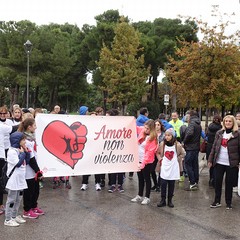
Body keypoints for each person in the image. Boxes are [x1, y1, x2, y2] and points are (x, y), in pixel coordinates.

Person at [208, 115, 240, 210]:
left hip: (231, 163)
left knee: (229, 184)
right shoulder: (219, 133)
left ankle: (228, 202)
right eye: (226, 121)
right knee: (217, 182)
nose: (228, 123)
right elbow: (214, 147)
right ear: (223, 123)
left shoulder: (237, 135)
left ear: (233, 123)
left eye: (230, 121)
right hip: (219, 162)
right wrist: (210, 159)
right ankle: (217, 201)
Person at [18, 118, 44, 218]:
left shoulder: (32, 137)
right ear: (29, 127)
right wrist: (38, 171)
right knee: (29, 190)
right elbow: (31, 157)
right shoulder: (26, 140)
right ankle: (27, 210)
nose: (36, 127)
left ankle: (34, 206)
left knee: (36, 189)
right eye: (34, 125)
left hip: (34, 167)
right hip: (29, 169)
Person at [4, 132, 29, 227]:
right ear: (17, 141)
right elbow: (18, 163)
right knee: (11, 200)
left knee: (18, 199)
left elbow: (27, 162)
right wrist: (22, 154)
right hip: (13, 181)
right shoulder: (11, 152)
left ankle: (14, 216)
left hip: (21, 180)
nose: (25, 141)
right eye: (23, 140)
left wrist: (26, 152)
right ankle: (8, 219)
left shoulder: (20, 150)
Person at [131, 119, 158, 205]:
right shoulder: (143, 132)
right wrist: (131, 120)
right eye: (145, 127)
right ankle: (139, 195)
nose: (145, 129)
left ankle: (147, 197)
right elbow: (136, 128)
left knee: (147, 178)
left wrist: (143, 163)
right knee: (140, 178)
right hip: (139, 159)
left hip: (147, 162)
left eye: (147, 128)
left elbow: (150, 152)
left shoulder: (153, 138)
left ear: (152, 129)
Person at [156, 128, 185, 208]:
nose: (167, 137)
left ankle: (170, 200)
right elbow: (158, 153)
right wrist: (160, 159)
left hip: (173, 167)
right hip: (165, 166)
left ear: (173, 136)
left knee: (171, 184)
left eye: (169, 135)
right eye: (166, 135)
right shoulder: (162, 144)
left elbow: (183, 153)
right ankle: (163, 200)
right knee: (163, 183)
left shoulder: (177, 145)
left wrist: (178, 158)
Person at [183, 110, 202, 190]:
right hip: (196, 147)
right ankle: (195, 181)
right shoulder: (198, 124)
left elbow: (190, 134)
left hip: (190, 147)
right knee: (194, 164)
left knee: (188, 164)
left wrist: (184, 141)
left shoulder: (191, 124)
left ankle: (192, 182)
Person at [206, 115, 222, 187]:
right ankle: (215, 180)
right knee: (217, 164)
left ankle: (211, 179)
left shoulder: (210, 126)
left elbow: (206, 135)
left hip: (209, 147)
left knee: (210, 164)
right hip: (217, 147)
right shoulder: (220, 128)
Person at [150, 119, 165, 192]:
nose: (157, 126)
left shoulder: (164, 134)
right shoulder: (152, 134)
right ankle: (155, 184)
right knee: (152, 169)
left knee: (160, 170)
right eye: (155, 125)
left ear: (160, 126)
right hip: (153, 153)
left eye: (158, 125)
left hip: (160, 154)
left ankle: (159, 185)